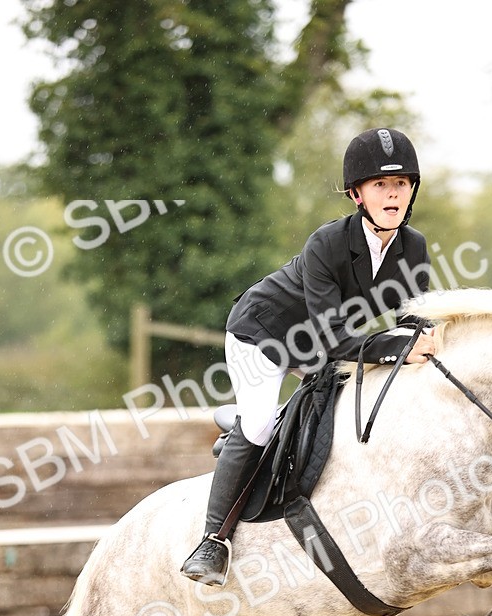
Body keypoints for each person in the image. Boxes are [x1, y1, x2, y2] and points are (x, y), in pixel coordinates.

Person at [181, 127, 436, 586]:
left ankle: (251, 418)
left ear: (412, 190)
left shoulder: (412, 247)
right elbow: (335, 341)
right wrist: (400, 346)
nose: (392, 194)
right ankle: (212, 541)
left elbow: (415, 320)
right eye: (380, 185)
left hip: (322, 342)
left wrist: (428, 339)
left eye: (400, 184)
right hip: (263, 334)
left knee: (337, 404)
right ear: (358, 194)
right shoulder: (327, 243)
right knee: (260, 426)